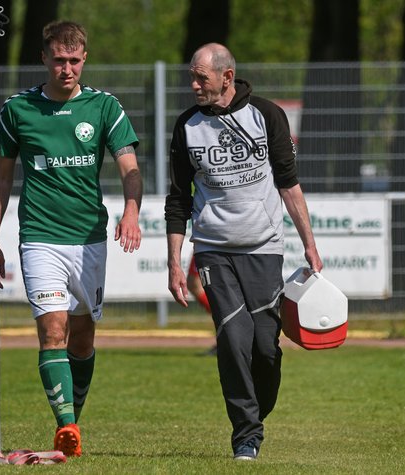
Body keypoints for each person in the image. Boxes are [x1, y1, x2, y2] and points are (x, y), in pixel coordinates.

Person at [0, 20, 142, 458]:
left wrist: (131, 211)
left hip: (89, 238)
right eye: (58, 60)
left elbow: (130, 167)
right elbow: (0, 180)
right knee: (53, 330)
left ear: (84, 59)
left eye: (73, 60)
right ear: (44, 59)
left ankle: (71, 424)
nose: (66, 69)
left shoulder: (104, 107)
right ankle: (66, 424)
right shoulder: (18, 110)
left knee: (82, 336)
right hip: (40, 237)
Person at [164, 43, 322, 461]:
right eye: (192, 77)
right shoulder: (186, 126)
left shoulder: (267, 115)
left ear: (227, 77)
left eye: (201, 77)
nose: (194, 84)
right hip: (213, 250)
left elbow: (289, 184)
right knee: (234, 340)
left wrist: (309, 244)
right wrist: (175, 263)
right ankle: (246, 436)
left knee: (266, 348)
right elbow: (178, 200)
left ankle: (255, 413)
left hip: (264, 249)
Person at [186, 254, 217, 356]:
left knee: (194, 283)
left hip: (210, 246)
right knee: (194, 283)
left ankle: (227, 333)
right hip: (202, 246)